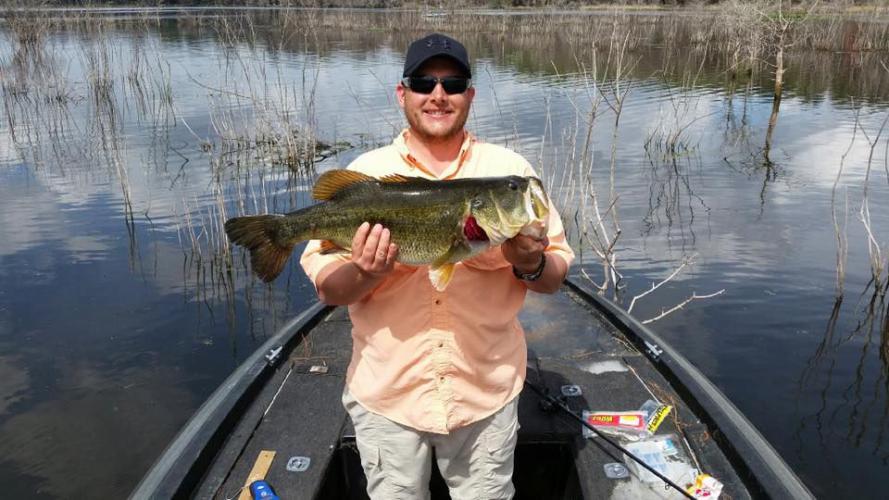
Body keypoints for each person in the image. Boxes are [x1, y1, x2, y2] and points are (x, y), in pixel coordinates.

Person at [300, 33, 574, 500]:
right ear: (402, 92)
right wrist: (366, 272)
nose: (438, 95)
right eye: (424, 82)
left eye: (453, 83)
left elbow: (554, 276)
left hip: (484, 395)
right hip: (389, 399)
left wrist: (529, 264)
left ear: (470, 94)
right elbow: (331, 290)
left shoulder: (509, 171)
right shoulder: (369, 171)